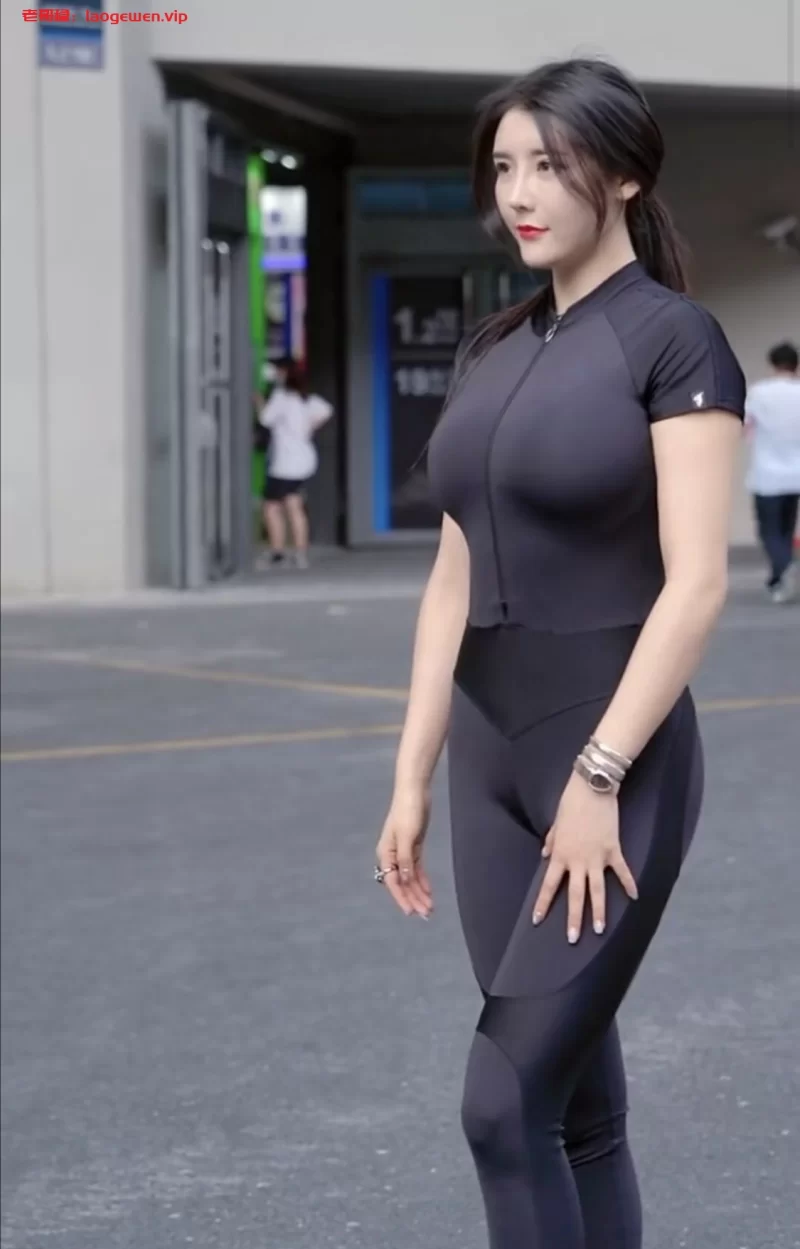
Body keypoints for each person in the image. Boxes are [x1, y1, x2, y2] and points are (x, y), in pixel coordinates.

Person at [373, 58, 746, 1249]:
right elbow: (450, 580)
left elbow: (695, 584)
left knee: (502, 1104)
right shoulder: (493, 347)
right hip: (487, 765)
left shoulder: (675, 342)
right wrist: (410, 775)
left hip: (611, 761)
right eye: (504, 167)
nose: (519, 194)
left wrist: (597, 775)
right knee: (574, 1111)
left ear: (623, 176)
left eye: (549, 164)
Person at [257, 359, 333, 569]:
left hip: (284, 463)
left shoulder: (281, 398)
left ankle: (277, 552)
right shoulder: (307, 399)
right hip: (304, 460)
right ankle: (300, 553)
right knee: (294, 504)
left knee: (271, 507)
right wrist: (310, 427)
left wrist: (259, 402)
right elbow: (326, 410)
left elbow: (265, 419)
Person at [744, 341, 800, 603]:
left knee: (769, 531)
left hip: (767, 476)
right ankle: (777, 580)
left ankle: (785, 565)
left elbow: (745, 427)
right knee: (786, 529)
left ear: (772, 364)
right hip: (796, 476)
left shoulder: (758, 393)